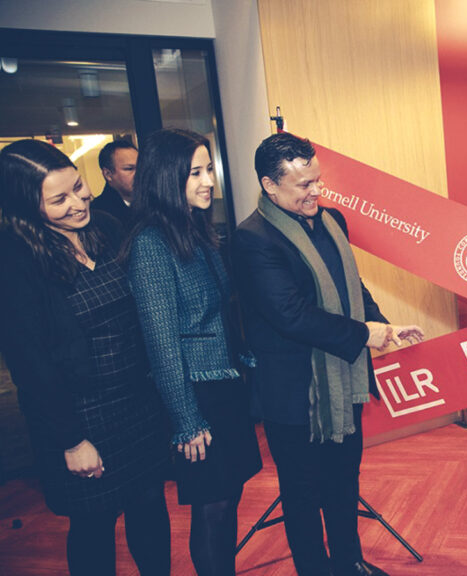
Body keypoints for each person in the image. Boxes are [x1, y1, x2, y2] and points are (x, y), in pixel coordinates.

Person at [232, 132, 424, 576]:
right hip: (293, 394)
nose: (316, 191)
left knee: (343, 483)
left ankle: (349, 563)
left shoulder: (333, 220)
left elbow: (351, 285)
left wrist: (384, 326)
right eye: (304, 184)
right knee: (302, 495)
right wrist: (364, 335)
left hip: (342, 380)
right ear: (270, 185)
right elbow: (291, 315)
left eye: (317, 180)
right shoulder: (252, 238)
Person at [0, 139, 171, 575]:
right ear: (27, 207)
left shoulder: (108, 228)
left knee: (150, 506)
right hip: (81, 416)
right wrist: (72, 440)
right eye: (59, 200)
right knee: (94, 525)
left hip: (137, 402)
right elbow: (32, 364)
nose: (78, 203)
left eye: (78, 187)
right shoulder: (16, 260)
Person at [126, 129, 262, 576]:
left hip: (224, 386)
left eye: (209, 170)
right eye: (195, 173)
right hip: (197, 395)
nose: (209, 181)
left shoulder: (195, 230)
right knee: (213, 506)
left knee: (229, 496)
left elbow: (219, 312)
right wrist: (186, 420)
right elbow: (161, 341)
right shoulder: (151, 243)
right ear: (167, 178)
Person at [93, 139, 138, 225]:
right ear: (108, 174)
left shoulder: (153, 203)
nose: (139, 174)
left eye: (140, 167)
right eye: (129, 169)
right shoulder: (98, 213)